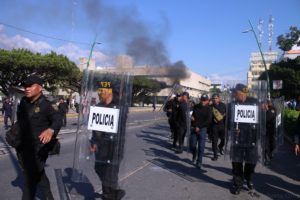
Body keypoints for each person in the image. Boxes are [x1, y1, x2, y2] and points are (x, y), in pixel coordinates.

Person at [16, 75, 62, 200]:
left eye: (30, 86)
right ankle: (49, 197)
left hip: (39, 148)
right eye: (25, 86)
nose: (27, 88)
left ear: (40, 88)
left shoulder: (47, 105)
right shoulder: (23, 102)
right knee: (39, 174)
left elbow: (58, 120)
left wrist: (51, 130)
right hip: (24, 146)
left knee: (30, 179)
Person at [90, 79, 127, 200]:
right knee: (99, 168)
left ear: (110, 91)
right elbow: (96, 129)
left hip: (114, 147)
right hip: (101, 147)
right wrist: (94, 142)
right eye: (99, 90)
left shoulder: (120, 106)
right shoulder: (98, 106)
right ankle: (114, 192)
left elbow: (119, 128)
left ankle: (108, 195)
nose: (100, 92)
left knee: (110, 174)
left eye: (102, 90)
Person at [228, 83, 260, 195]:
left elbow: (260, 119)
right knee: (236, 162)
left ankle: (248, 178)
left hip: (251, 138)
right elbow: (228, 122)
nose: (234, 95)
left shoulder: (254, 102)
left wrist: (266, 109)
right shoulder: (232, 105)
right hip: (237, 138)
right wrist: (233, 129)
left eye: (235, 93)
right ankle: (238, 184)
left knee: (251, 162)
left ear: (242, 92)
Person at [190, 94, 212, 168]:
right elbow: (193, 116)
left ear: (207, 101)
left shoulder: (209, 109)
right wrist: (193, 120)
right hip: (194, 127)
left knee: (201, 145)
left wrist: (199, 127)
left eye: (205, 100)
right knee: (192, 145)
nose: (203, 101)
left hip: (202, 128)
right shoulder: (196, 106)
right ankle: (194, 154)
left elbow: (208, 121)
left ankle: (199, 161)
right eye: (202, 99)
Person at [211, 93, 226, 161]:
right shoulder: (210, 107)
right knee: (214, 141)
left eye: (216, 98)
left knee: (223, 139)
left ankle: (220, 146)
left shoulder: (223, 106)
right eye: (213, 98)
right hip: (214, 126)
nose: (214, 99)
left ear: (219, 98)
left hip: (222, 125)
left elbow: (226, 115)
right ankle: (215, 155)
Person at [264, 100, 276, 165]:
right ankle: (266, 158)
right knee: (266, 146)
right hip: (265, 131)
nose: (269, 103)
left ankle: (270, 153)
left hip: (272, 131)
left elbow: (276, 117)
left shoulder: (273, 109)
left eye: (269, 102)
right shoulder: (263, 110)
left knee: (272, 144)